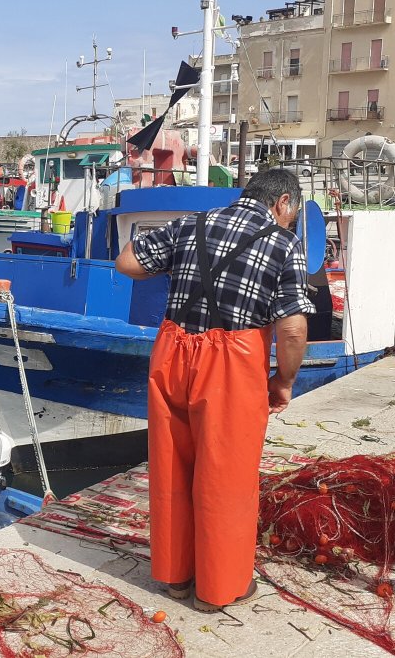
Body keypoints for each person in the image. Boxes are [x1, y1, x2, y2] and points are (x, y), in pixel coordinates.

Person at [115, 168, 313, 613]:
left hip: (172, 353)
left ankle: (176, 578)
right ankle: (219, 589)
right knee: (226, 477)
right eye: (293, 214)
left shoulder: (192, 223)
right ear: (283, 203)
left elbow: (127, 263)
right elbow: (294, 328)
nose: (290, 222)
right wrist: (282, 381)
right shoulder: (283, 243)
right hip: (231, 362)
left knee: (171, 466)